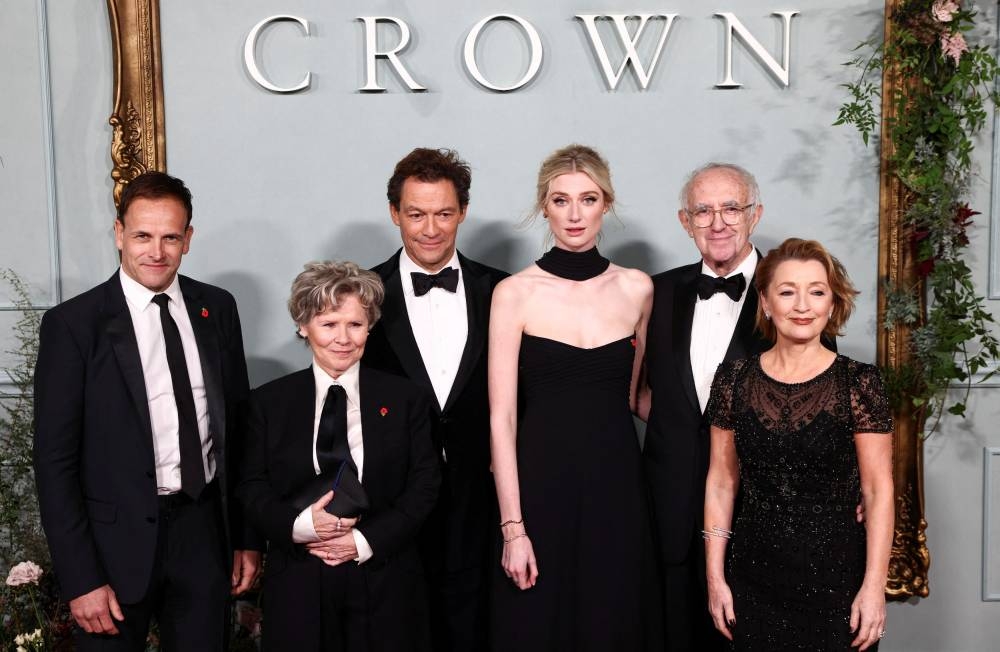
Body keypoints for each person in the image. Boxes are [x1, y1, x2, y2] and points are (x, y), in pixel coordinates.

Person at [33, 171, 262, 651]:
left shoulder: (217, 309)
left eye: (170, 237)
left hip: (203, 535)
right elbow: (54, 464)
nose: (155, 251)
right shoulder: (73, 326)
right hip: (111, 550)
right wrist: (80, 578)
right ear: (119, 234)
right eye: (141, 235)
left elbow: (238, 433)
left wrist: (245, 539)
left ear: (188, 239)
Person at [489, 144, 660, 651]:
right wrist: (513, 528)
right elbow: (501, 419)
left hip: (618, 489)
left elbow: (637, 397)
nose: (574, 213)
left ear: (605, 203)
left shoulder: (638, 289)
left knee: (615, 622)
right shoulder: (514, 293)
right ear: (544, 206)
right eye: (561, 200)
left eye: (587, 199)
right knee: (539, 625)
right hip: (539, 492)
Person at [238, 261, 440, 651]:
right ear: (303, 326)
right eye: (329, 324)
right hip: (299, 578)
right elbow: (250, 486)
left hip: (385, 576)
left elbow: (425, 485)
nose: (343, 338)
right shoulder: (268, 403)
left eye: (355, 324)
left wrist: (363, 540)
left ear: (370, 326)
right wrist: (301, 526)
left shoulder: (405, 399)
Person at [704, 238, 893, 651]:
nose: (802, 305)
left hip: (839, 581)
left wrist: (874, 587)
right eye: (787, 292)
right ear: (767, 304)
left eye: (817, 291)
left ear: (832, 302)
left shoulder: (860, 383)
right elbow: (721, 482)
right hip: (753, 577)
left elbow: (878, 491)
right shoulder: (732, 380)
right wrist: (715, 578)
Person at [363, 147, 507, 652]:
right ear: (394, 214)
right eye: (416, 214)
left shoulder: (503, 292)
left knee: (476, 628)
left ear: (463, 212)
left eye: (444, 214)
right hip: (390, 500)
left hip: (482, 498)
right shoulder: (361, 294)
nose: (430, 229)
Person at [637, 162, 769, 651]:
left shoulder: (789, 290)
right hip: (668, 500)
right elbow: (634, 390)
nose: (718, 222)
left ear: (755, 215)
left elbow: (820, 397)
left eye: (731, 207)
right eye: (703, 210)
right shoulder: (659, 290)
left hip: (758, 505)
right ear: (683, 221)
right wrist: (678, 427)